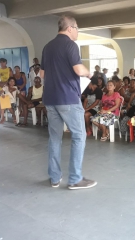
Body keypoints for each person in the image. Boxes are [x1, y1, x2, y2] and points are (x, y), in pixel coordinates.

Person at [40, 15, 97, 190]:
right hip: (68, 99)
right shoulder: (70, 45)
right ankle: (74, 179)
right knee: (79, 136)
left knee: (54, 138)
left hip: (50, 99)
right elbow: (78, 69)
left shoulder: (47, 47)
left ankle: (55, 178)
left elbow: (42, 74)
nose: (78, 31)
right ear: (70, 28)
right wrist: (88, 74)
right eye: (77, 28)